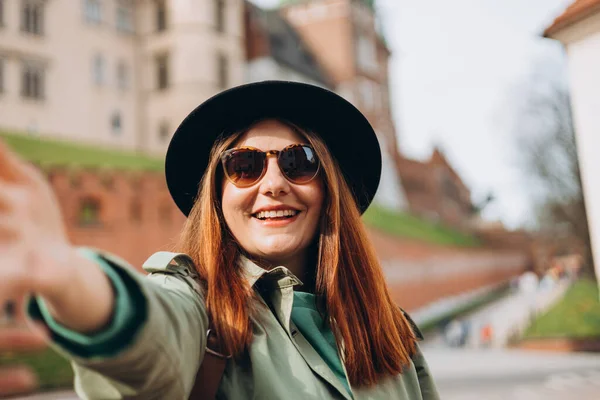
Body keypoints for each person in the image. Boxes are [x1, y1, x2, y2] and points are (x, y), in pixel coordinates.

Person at [0, 81, 440, 399]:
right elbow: (155, 333)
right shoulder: (199, 306)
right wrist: (70, 276)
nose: (273, 184)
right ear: (218, 194)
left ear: (329, 190)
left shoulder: (390, 331)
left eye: (299, 162)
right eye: (244, 165)